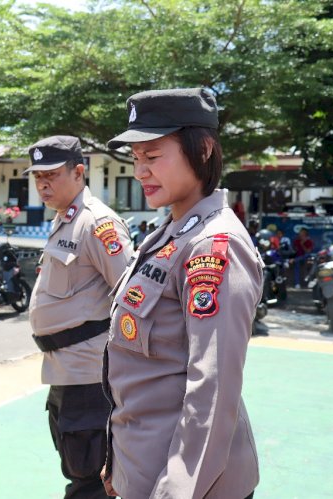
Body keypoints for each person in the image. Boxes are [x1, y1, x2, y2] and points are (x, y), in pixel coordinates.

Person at [101, 88, 262, 499]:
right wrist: (120, 459)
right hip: (144, 468)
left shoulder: (212, 244)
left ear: (204, 148)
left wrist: (175, 491)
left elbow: (212, 389)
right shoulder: (169, 234)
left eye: (152, 156)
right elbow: (145, 375)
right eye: (135, 159)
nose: (140, 171)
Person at [26, 135, 133, 499]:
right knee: (78, 469)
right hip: (65, 371)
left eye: (52, 175)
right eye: (37, 176)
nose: (43, 183)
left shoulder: (97, 223)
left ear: (79, 172)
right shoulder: (65, 219)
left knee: (89, 481)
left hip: (89, 374)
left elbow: (130, 297)